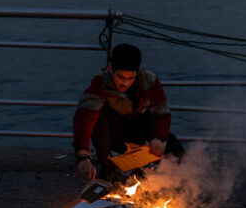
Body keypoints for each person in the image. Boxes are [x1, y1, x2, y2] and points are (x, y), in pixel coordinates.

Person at [72, 43, 184, 181]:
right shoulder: (100, 83)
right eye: (120, 77)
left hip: (139, 130)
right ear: (111, 68)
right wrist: (83, 156)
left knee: (175, 148)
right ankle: (108, 169)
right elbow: (84, 118)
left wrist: (159, 138)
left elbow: (162, 114)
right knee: (98, 117)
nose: (125, 83)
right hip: (113, 134)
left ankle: (153, 178)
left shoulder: (149, 81)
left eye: (130, 78)